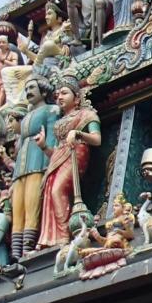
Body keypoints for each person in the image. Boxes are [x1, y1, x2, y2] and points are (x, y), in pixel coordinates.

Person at [36, 77, 101, 249]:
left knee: (57, 189)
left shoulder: (86, 115)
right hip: (61, 155)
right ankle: (53, 237)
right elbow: (57, 152)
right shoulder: (59, 123)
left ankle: (64, 235)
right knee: (49, 191)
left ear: (77, 98)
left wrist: (78, 133)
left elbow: (97, 139)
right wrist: (44, 146)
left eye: (64, 93)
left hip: (77, 152)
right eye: (57, 95)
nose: (59, 97)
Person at [10, 75, 56, 258]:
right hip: (21, 167)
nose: (28, 92)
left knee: (32, 207)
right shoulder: (26, 117)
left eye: (32, 88)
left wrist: (48, 167)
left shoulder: (51, 110)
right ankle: (16, 254)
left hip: (38, 163)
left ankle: (27, 251)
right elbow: (21, 144)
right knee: (17, 211)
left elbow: (51, 138)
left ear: (43, 92)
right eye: (26, 89)